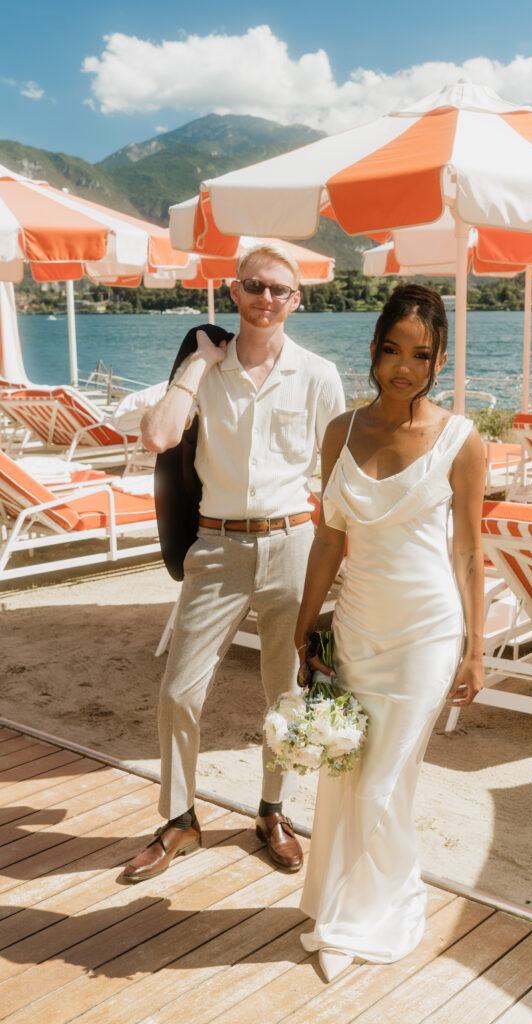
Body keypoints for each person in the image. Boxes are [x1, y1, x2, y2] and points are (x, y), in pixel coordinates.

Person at [122, 242, 345, 882]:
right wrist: (196, 365)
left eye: (280, 290)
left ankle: (273, 810)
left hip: (293, 545)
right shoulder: (204, 367)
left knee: (286, 692)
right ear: (234, 291)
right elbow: (160, 436)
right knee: (178, 691)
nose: (266, 299)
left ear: (296, 299)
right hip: (216, 547)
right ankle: (178, 820)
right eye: (255, 286)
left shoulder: (319, 374)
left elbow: (336, 480)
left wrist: (340, 564)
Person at [292, 283, 485, 981]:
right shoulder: (339, 431)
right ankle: (352, 898)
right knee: (350, 774)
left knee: (382, 775)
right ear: (373, 349)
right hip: (356, 625)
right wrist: (304, 619)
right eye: (391, 350)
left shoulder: (461, 440)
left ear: (438, 361)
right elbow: (326, 538)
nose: (403, 367)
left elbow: (468, 552)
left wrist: (475, 646)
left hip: (427, 631)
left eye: (420, 355)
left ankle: (358, 917)